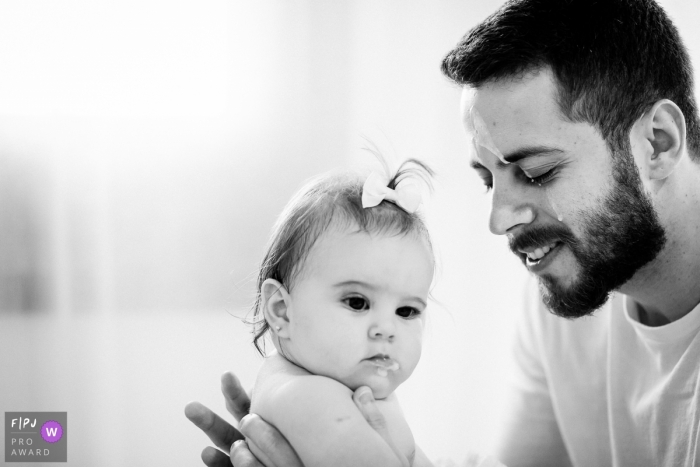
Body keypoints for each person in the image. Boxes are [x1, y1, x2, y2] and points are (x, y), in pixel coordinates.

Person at [186, 0, 700, 465]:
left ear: (657, 142)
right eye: (487, 179)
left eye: (538, 172)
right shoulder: (571, 294)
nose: (499, 222)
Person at [190, 159, 441, 467]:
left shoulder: (329, 385)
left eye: (407, 310)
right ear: (281, 311)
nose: (386, 329)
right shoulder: (307, 396)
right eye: (357, 302)